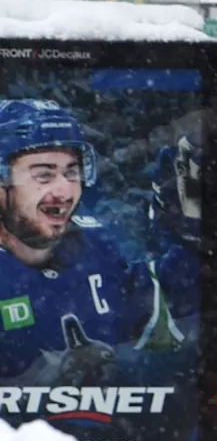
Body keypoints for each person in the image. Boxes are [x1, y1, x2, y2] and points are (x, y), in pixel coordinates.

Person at [0, 99, 189, 386]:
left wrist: (190, 242)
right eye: (44, 175)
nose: (64, 189)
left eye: (71, 172)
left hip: (108, 430)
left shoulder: (93, 247)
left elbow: (161, 314)